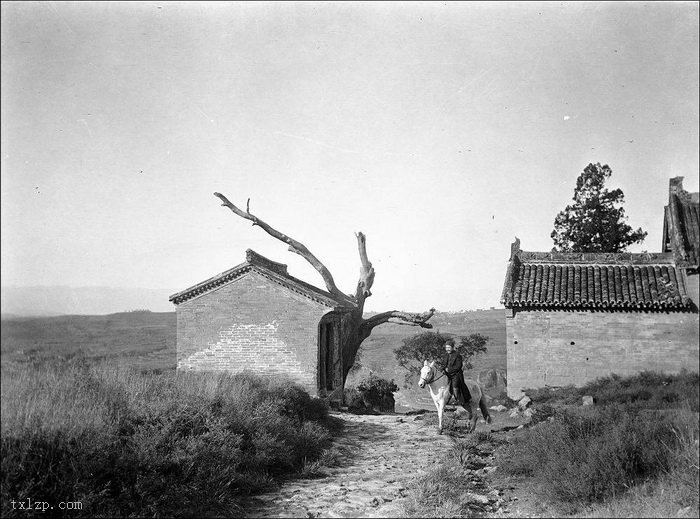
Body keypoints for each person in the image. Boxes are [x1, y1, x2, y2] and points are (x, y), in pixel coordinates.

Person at [441, 338, 471, 407]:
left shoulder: (457, 355)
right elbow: (443, 364)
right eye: (446, 348)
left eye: (449, 347)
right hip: (447, 374)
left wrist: (449, 370)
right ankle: (445, 399)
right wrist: (443, 369)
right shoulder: (445, 355)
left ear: (452, 347)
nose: (447, 349)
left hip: (456, 375)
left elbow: (458, 366)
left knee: (455, 386)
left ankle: (456, 399)